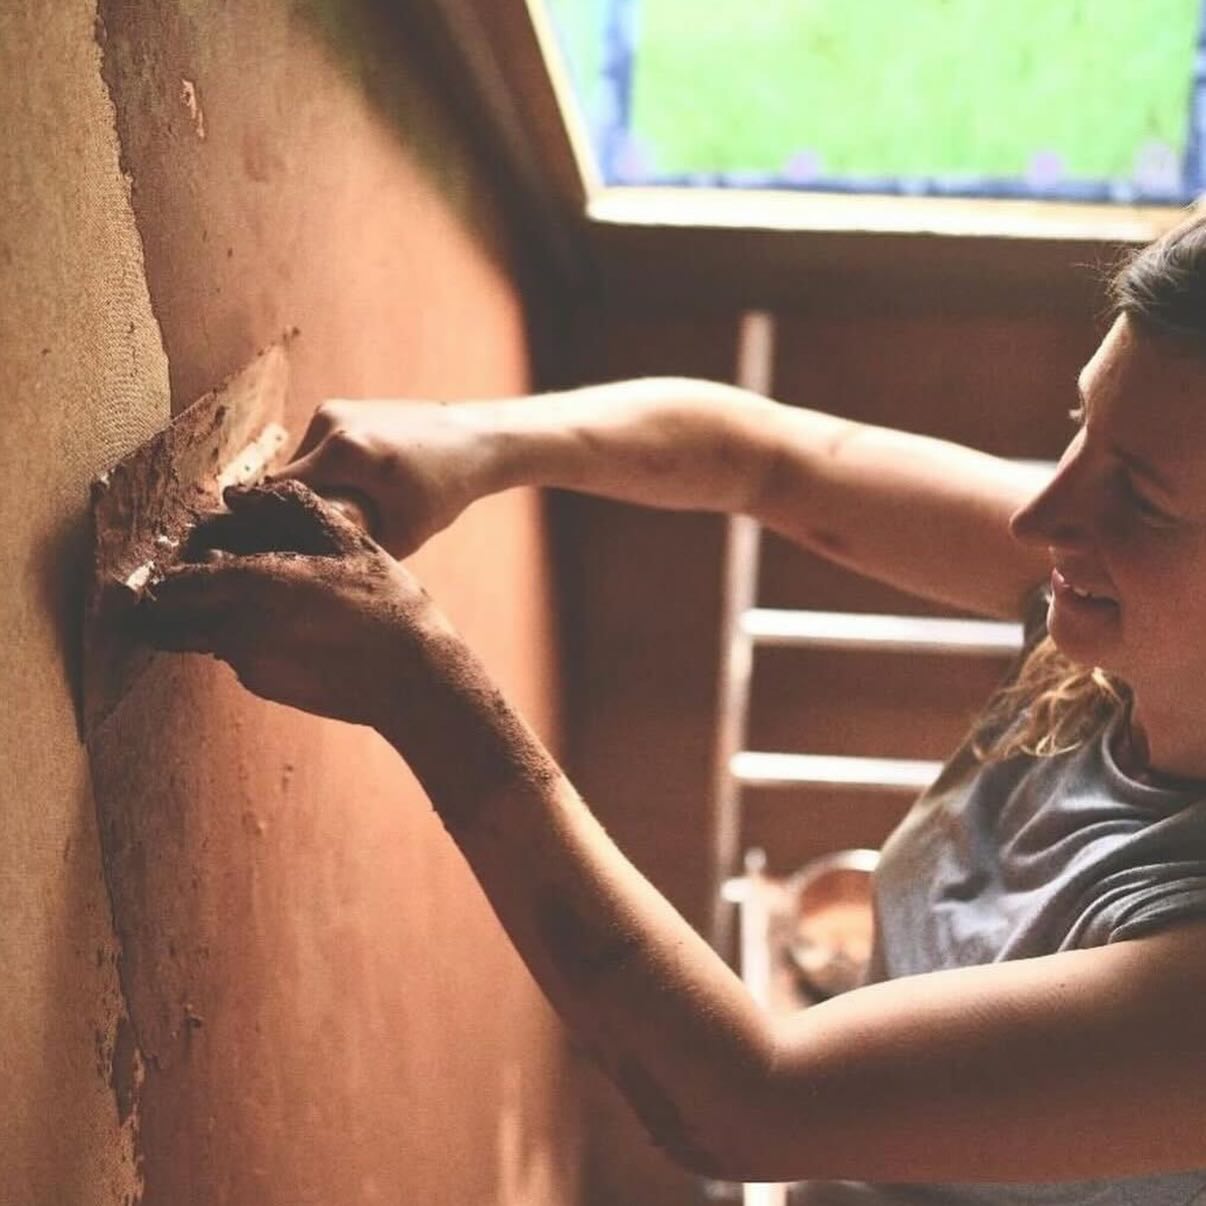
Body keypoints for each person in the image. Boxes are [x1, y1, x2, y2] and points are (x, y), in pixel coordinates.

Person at [143, 213, 1206, 1204]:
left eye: (1144, 498)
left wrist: (425, 685)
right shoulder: (1113, 610)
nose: (1038, 512)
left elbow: (749, 1102)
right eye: (1081, 426)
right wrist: (472, 441)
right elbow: (771, 458)